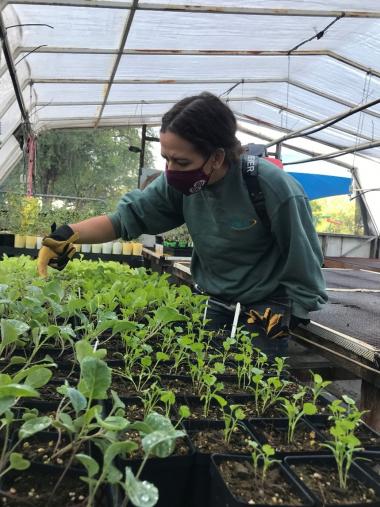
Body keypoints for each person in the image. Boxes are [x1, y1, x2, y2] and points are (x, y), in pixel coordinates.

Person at [38, 92, 327, 356]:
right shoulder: (176, 184)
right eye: (166, 159)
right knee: (209, 377)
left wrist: (294, 315)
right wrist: (69, 234)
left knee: (255, 385)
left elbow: (303, 256)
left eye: (182, 162)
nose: (171, 171)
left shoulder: (270, 187)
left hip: (266, 306)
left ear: (216, 156)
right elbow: (126, 219)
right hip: (217, 298)